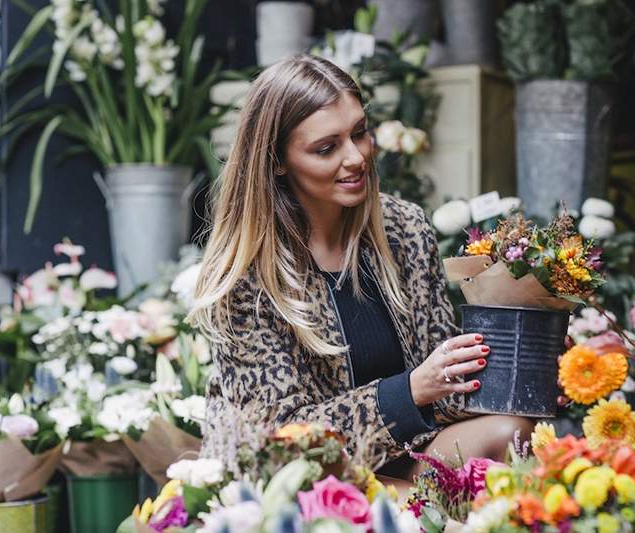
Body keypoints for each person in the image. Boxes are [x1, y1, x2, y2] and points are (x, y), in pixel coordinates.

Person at [188, 55, 532, 480]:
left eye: (360, 133)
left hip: (408, 456)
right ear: (276, 161)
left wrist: (527, 371)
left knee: (514, 433)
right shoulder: (244, 279)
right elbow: (281, 442)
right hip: (303, 479)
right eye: (327, 148)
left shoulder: (402, 229)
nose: (356, 157)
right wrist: (409, 392)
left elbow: (447, 386)